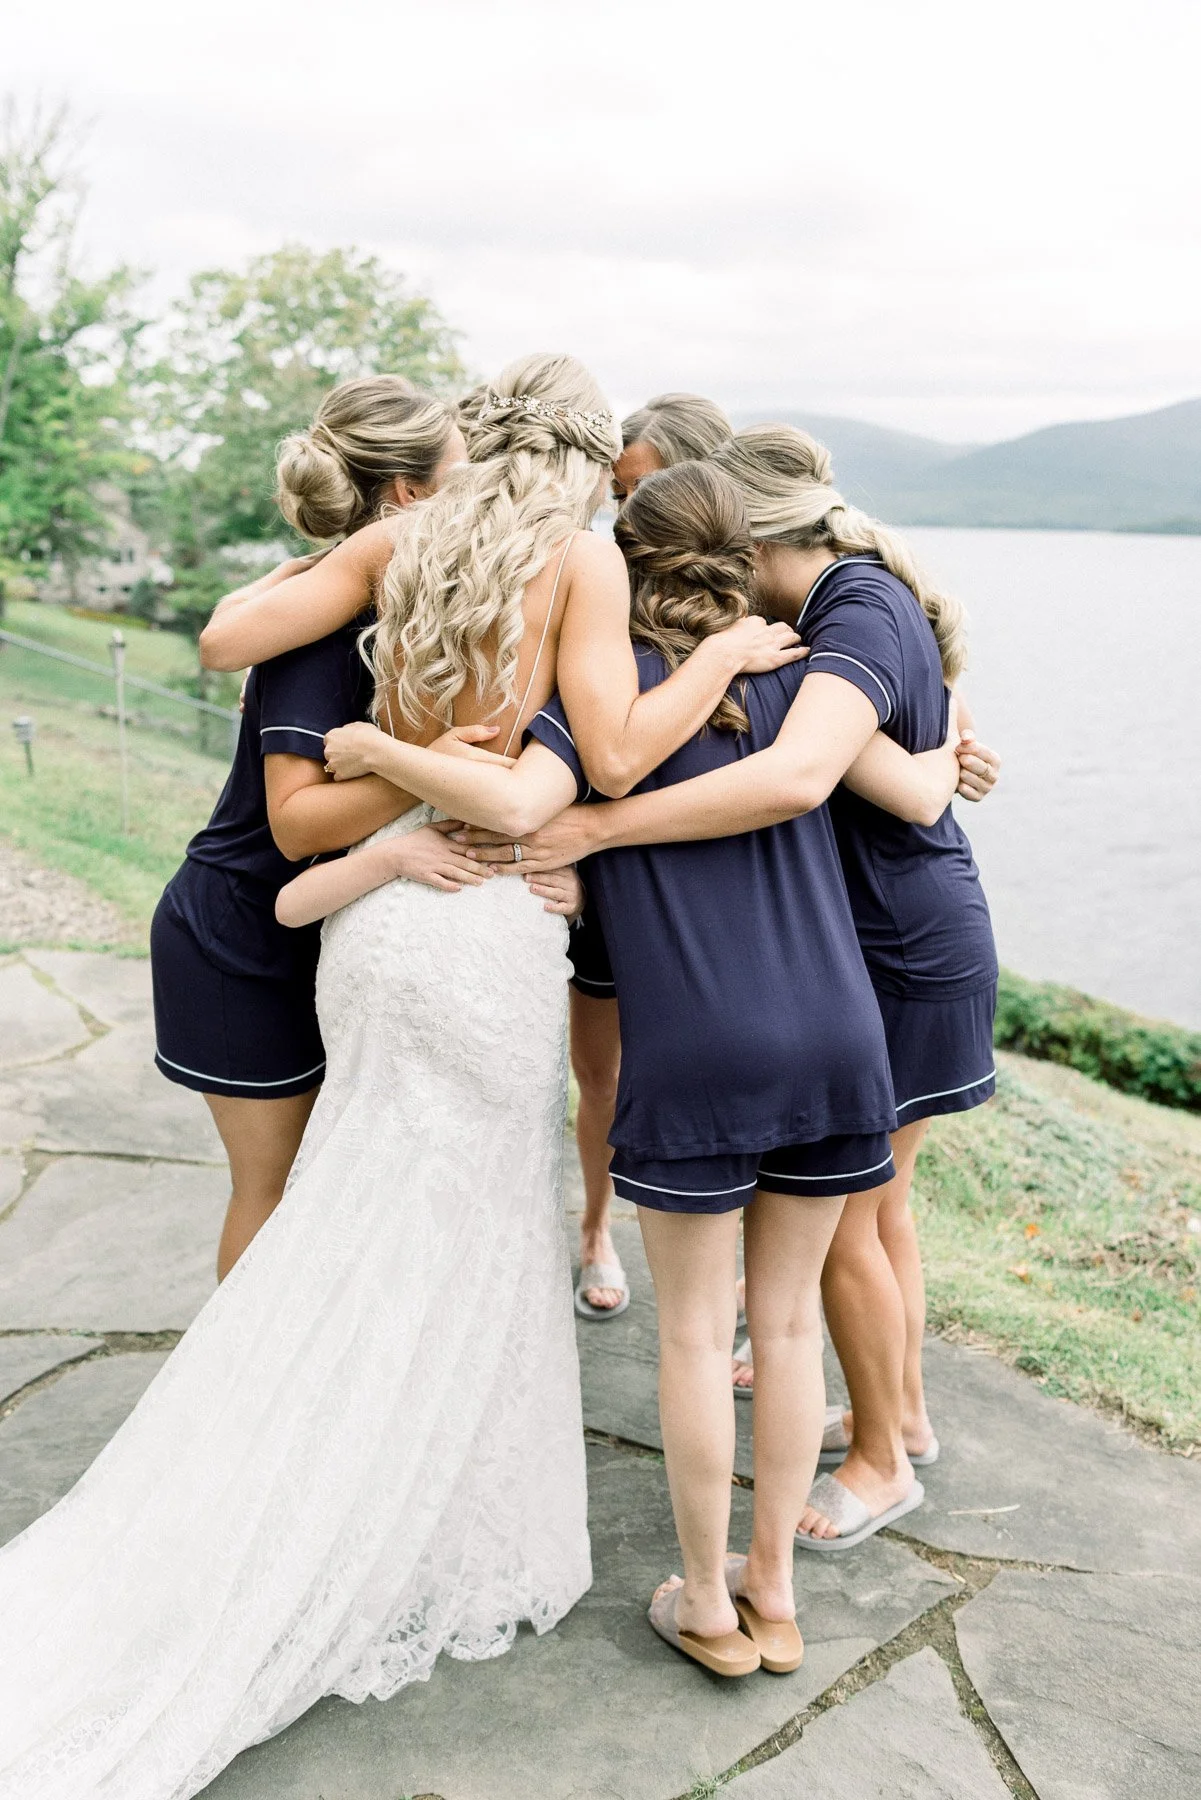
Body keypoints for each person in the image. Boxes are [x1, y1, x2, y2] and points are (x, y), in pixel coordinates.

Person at [0, 355, 809, 1799]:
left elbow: (235, 635)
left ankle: (310, 1467)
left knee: (363, 1205)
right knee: (470, 1225)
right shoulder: (576, 561)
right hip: (487, 924)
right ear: (581, 461)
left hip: (375, 924)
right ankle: (403, 1513)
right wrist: (722, 662)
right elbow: (610, 758)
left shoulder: (402, 540)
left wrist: (387, 743)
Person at [308, 461, 965, 1675]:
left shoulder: (593, 713)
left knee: (691, 1337)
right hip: (836, 1034)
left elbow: (522, 810)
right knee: (783, 1330)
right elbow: (916, 784)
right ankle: (776, 1593)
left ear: (627, 563)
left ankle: (707, 1605)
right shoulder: (804, 687)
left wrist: (388, 762)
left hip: (699, 1048)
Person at [459, 425, 1000, 1553]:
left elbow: (807, 777)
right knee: (848, 1234)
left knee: (835, 1239)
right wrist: (948, 760)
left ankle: (878, 1456)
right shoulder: (798, 643)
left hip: (885, 946)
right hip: (841, 962)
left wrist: (594, 831)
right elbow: (898, 778)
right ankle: (875, 1442)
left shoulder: (834, 619)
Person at [150, 375, 487, 1279]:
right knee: (274, 1186)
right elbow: (297, 827)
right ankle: (239, 1403)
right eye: (464, 472)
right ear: (410, 495)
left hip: (298, 925)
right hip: (241, 937)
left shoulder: (353, 599)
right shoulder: (319, 634)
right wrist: (427, 763)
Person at [572, 392, 736, 1320]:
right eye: (618, 490)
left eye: (645, 492)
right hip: (601, 869)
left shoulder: (743, 601)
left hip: (698, 877)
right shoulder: (599, 577)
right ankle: (596, 1228)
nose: (625, 513)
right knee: (600, 1073)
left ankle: (734, 1269)